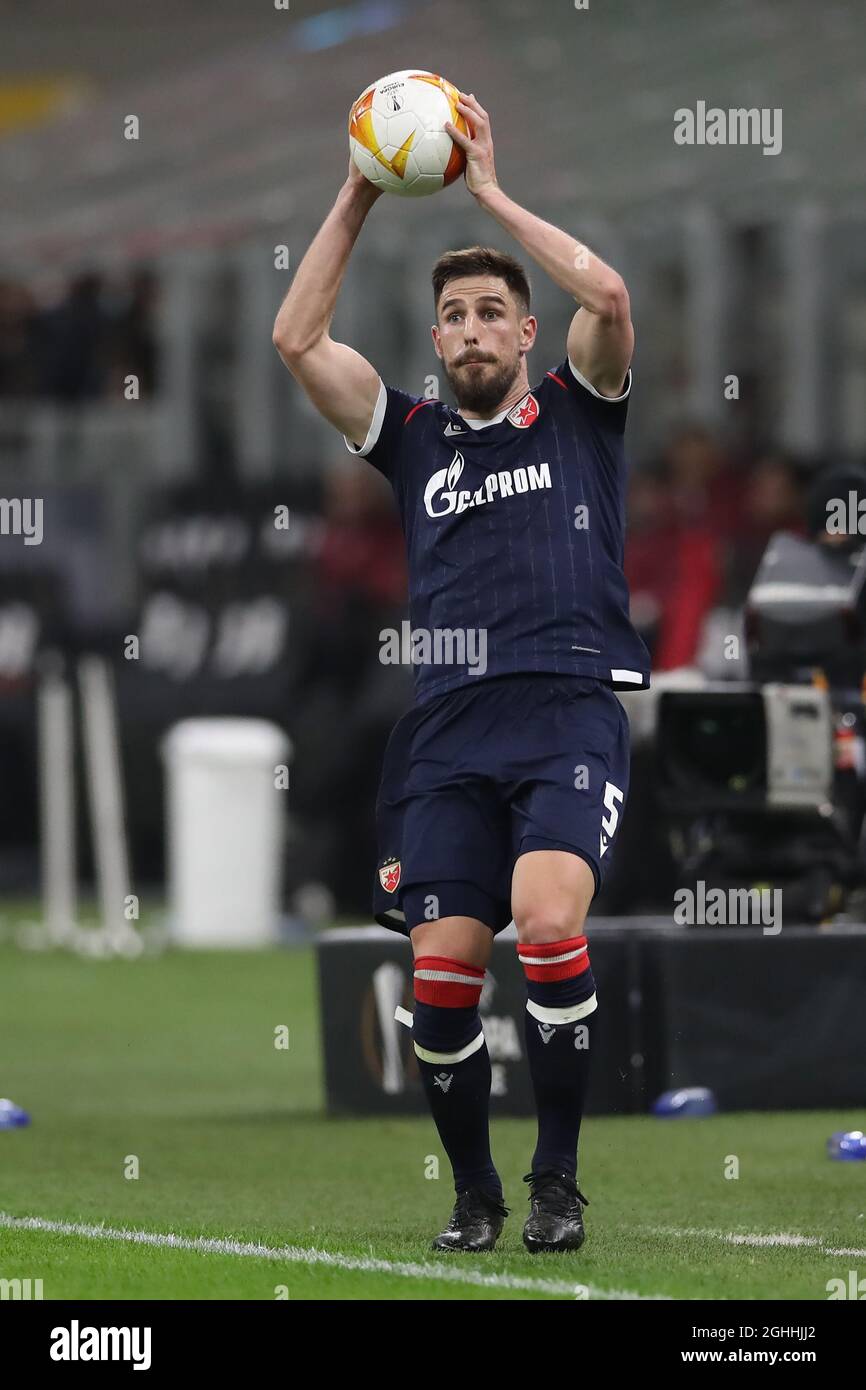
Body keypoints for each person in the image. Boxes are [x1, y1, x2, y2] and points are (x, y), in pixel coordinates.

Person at [273, 92, 650, 1254]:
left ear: (525, 334)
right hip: (444, 732)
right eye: (455, 316)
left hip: (565, 707)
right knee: (440, 981)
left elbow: (610, 296)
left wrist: (487, 192)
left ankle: (557, 1182)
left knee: (544, 925)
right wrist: (358, 189)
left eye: (494, 311)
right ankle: (475, 1193)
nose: (475, 328)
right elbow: (295, 340)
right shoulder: (410, 437)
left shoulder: (578, 414)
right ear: (434, 342)